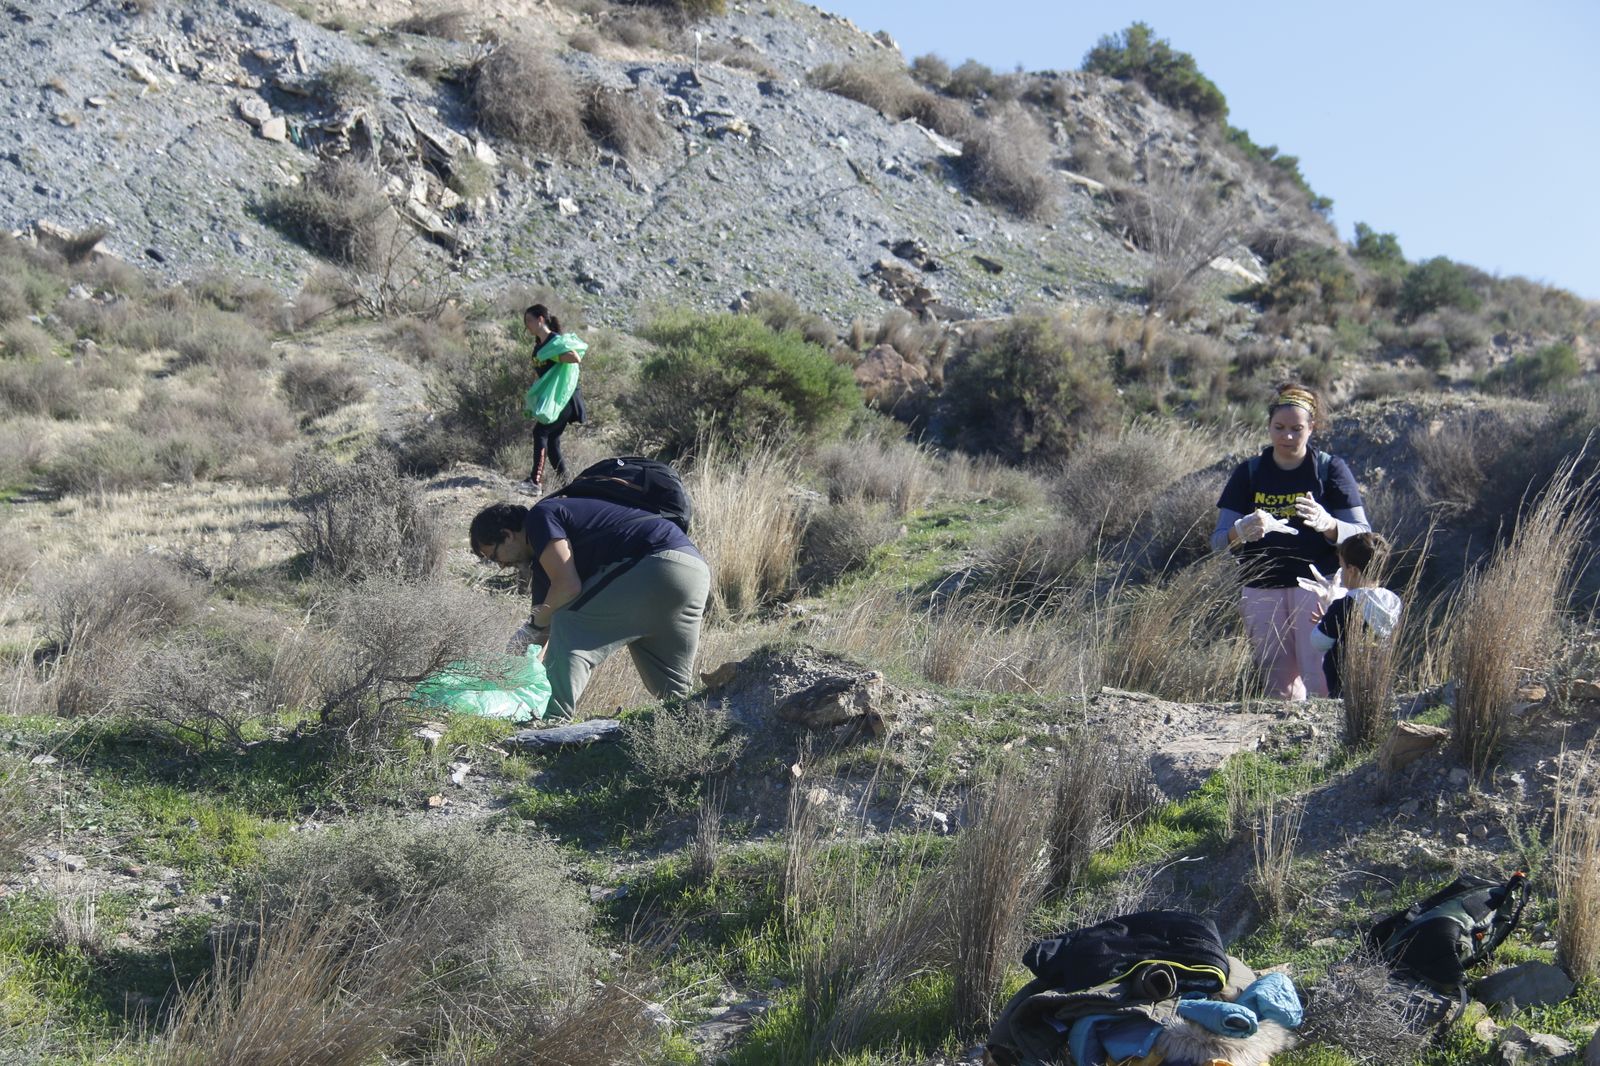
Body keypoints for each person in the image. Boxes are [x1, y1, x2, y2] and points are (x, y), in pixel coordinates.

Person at [469, 497, 709, 719]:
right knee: (675, 696)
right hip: (693, 573)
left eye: (494, 556)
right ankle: (704, 733)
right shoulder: (544, 563)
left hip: (656, 565)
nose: (500, 566)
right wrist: (518, 668)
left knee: (569, 622)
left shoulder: (539, 518)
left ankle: (551, 722)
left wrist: (529, 628)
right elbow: (545, 629)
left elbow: (567, 587)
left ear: (507, 535)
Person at [1212, 383, 1370, 700]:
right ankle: (1286, 745)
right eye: (1279, 428)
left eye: (1296, 429)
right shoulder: (1249, 473)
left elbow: (1362, 532)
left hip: (1318, 585)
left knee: (1322, 672)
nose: (1287, 437)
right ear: (1268, 427)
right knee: (1277, 682)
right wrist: (1240, 532)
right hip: (1260, 588)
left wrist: (1329, 525)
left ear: (1312, 428)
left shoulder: (1329, 469)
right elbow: (1218, 541)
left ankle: (1330, 744)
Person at [1304, 532, 1402, 698]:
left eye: (1342, 567)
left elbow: (1319, 641)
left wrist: (1324, 622)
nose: (1340, 573)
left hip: (1344, 685)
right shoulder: (1393, 601)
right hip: (1380, 680)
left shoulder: (1344, 605)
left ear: (1352, 571)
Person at [515, 303, 586, 497]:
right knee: (552, 442)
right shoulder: (539, 345)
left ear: (540, 319)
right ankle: (569, 488)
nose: (526, 325)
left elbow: (574, 357)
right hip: (558, 400)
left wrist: (556, 357)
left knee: (541, 432)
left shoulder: (555, 341)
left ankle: (535, 482)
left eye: (529, 320)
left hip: (566, 399)